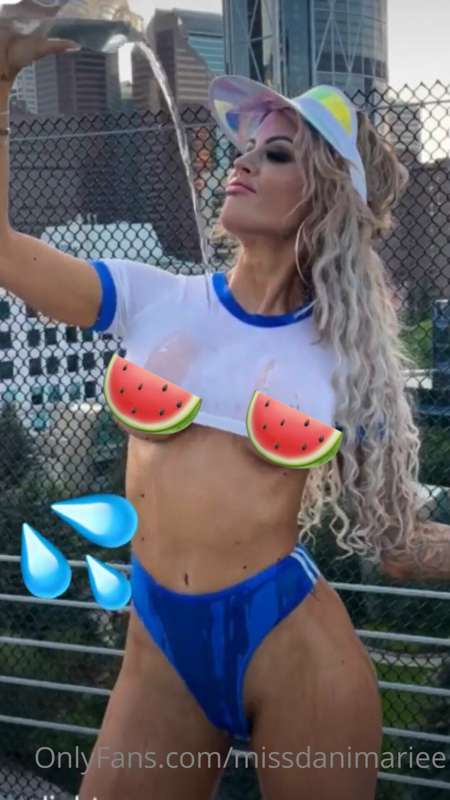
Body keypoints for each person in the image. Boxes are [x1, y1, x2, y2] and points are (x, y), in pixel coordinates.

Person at [0, 31, 449, 800]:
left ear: (327, 195)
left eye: (276, 155)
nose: (243, 162)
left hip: (294, 649)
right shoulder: (151, 297)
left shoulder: (349, 363)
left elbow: (399, 547)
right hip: (160, 649)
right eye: (247, 149)